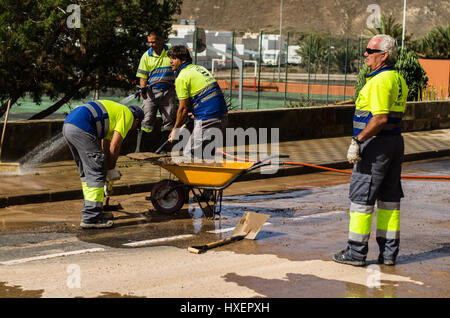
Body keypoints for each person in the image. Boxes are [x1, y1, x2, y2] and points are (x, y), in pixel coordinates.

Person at [333, 34, 408, 266]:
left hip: (376, 145)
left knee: (361, 199)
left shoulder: (378, 81)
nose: (366, 54)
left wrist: (358, 140)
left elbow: (379, 118)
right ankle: (388, 254)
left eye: (370, 50)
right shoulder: (398, 79)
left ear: (383, 56)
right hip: (394, 143)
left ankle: (355, 253)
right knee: (389, 200)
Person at [62, 100, 144, 229]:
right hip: (82, 127)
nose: (133, 129)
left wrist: (107, 168)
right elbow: (115, 146)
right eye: (136, 126)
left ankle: (95, 211)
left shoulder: (116, 113)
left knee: (88, 173)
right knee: (96, 172)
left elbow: (105, 145)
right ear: (137, 120)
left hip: (69, 125)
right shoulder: (127, 115)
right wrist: (109, 170)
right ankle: (90, 218)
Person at [167, 45, 228, 160]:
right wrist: (195, 111)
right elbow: (205, 94)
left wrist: (175, 129)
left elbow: (183, 108)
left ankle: (193, 178)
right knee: (207, 153)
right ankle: (210, 177)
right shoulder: (200, 69)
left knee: (189, 153)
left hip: (207, 118)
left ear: (183, 60)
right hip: (223, 116)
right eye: (171, 58)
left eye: (174, 58)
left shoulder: (182, 77)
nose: (171, 61)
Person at [136, 29, 177, 151]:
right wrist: (143, 89)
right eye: (149, 42)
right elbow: (143, 76)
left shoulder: (170, 52)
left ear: (160, 40)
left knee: (168, 120)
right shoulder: (146, 56)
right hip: (151, 93)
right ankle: (140, 149)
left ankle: (162, 149)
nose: (151, 45)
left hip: (168, 92)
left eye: (153, 42)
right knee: (146, 120)